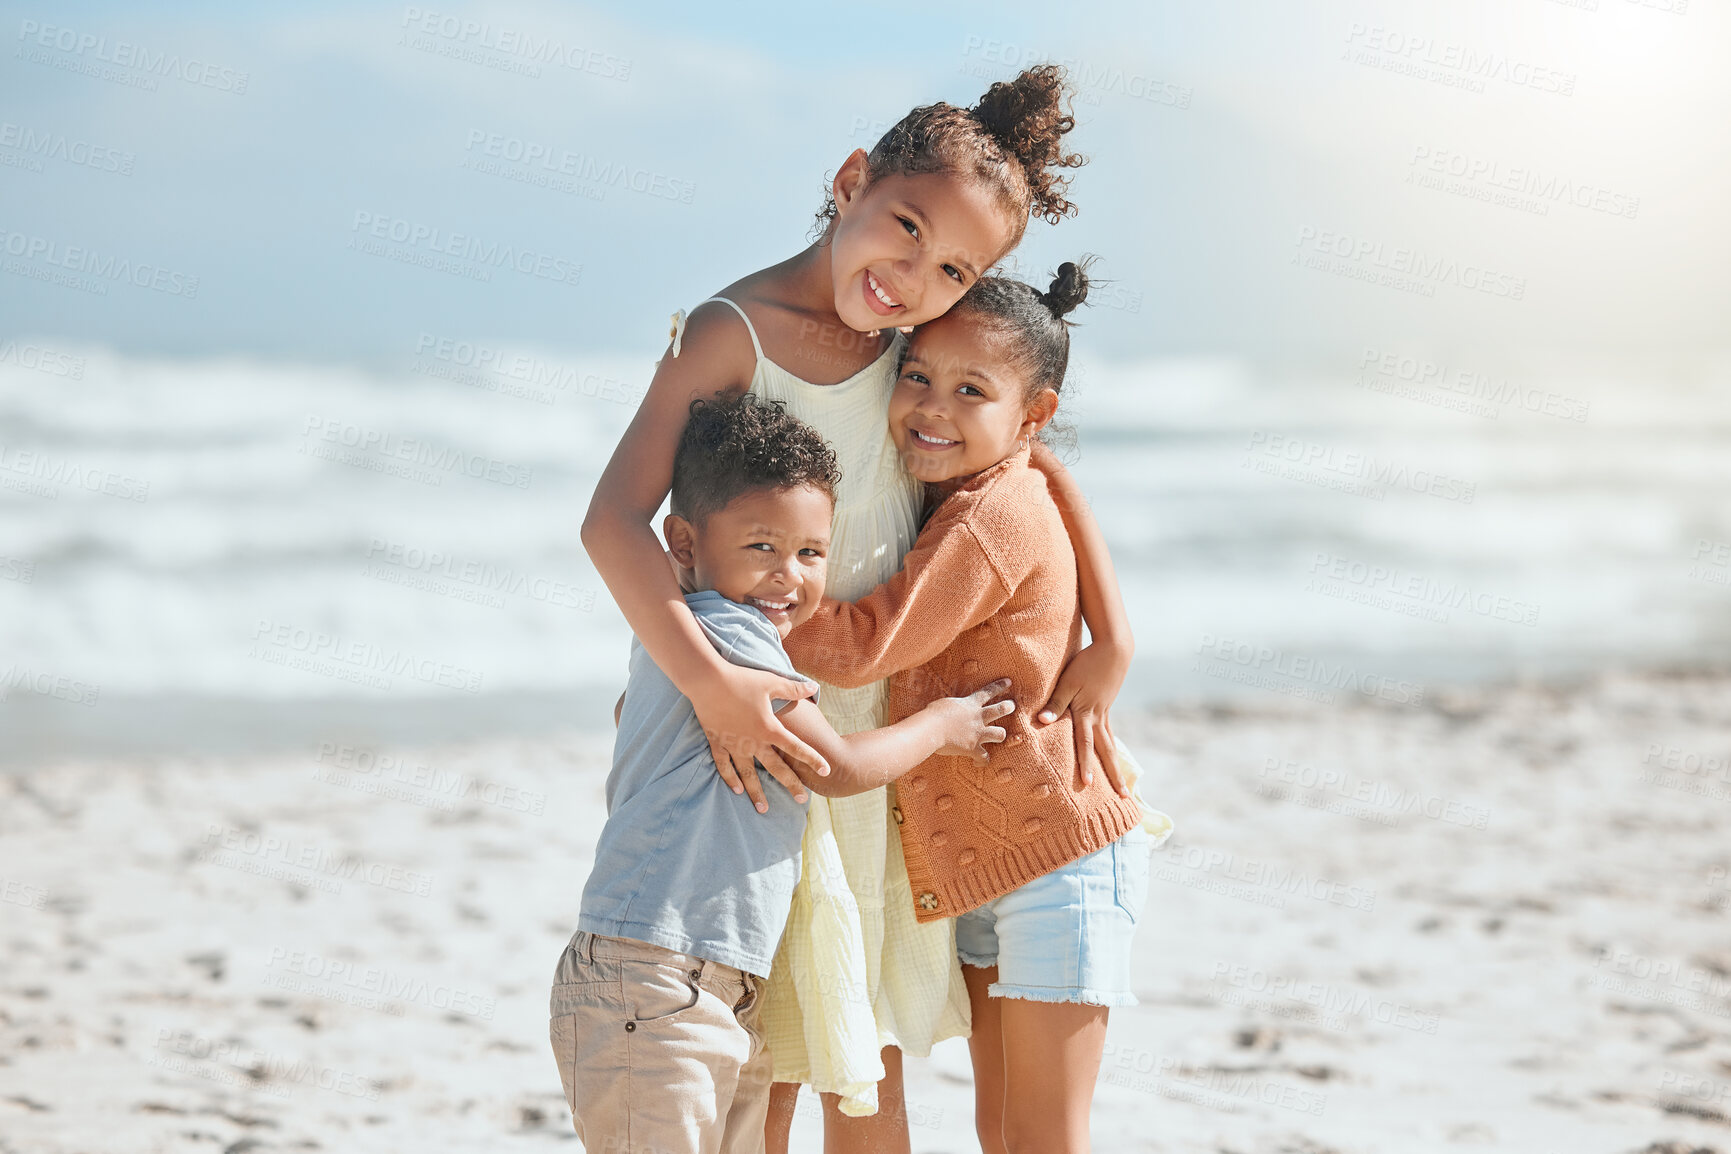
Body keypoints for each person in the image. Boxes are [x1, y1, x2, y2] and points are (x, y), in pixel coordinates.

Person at [581, 64, 1139, 1152]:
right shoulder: (730, 333)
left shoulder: (910, 348)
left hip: (877, 738)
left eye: (953, 269)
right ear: (850, 183)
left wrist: (1113, 632)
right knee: (769, 1032)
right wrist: (713, 683)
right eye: (905, 229)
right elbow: (615, 521)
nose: (912, 277)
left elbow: (1031, 454)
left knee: (854, 1027)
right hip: (761, 714)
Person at [550, 391, 1015, 1154]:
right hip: (655, 974)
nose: (788, 577)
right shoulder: (732, 632)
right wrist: (942, 725)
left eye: (809, 553)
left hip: (712, 980)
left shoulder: (685, 642)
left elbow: (624, 713)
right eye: (761, 547)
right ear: (684, 544)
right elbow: (835, 768)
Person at [785, 262, 1174, 1154]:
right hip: (984, 865)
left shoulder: (985, 518)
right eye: (917, 375)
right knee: (1001, 1133)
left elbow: (865, 643)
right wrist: (1113, 632)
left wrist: (742, 596)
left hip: (1058, 855)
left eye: (971, 390)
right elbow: (1050, 468)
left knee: (1039, 1137)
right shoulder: (982, 481)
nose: (932, 407)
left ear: (1028, 413)